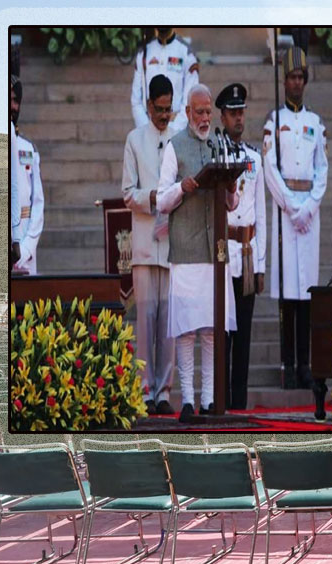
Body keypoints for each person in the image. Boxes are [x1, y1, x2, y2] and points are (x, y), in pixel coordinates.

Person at [157, 84, 238, 422]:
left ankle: (209, 399)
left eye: (208, 112)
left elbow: (231, 204)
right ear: (188, 113)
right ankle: (187, 400)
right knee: (188, 329)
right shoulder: (175, 146)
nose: (205, 117)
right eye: (199, 111)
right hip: (187, 248)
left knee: (210, 329)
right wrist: (183, 187)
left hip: (215, 250)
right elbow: (161, 200)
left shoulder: (221, 144)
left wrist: (232, 188)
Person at [263, 47, 328, 389]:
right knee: (289, 293)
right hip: (286, 209)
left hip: (310, 213)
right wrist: (291, 205)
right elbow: (269, 168)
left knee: (307, 293)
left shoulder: (315, 123)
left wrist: (310, 205)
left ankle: (307, 363)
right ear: (284, 80)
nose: (296, 83)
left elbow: (323, 167)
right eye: (291, 77)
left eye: (301, 77)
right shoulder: (275, 122)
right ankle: (289, 363)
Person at [122, 73, 178, 415]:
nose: (163, 116)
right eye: (159, 109)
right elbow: (128, 192)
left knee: (169, 324)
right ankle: (144, 389)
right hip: (144, 243)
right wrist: (154, 197)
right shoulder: (134, 139)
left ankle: (165, 391)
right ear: (148, 106)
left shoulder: (178, 139)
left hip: (172, 244)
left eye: (169, 109)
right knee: (146, 320)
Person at [217, 82, 267, 410]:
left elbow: (260, 211)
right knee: (223, 333)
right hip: (223, 249)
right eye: (232, 113)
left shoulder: (254, 158)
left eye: (241, 112)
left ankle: (240, 402)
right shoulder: (214, 153)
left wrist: (261, 264)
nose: (238, 118)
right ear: (222, 116)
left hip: (247, 251)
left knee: (245, 332)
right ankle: (220, 400)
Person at [131, 27, 199, 134]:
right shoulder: (144, 52)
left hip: (177, 130)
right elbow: (136, 100)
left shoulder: (186, 52)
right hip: (148, 128)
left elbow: (190, 100)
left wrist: (173, 130)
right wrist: (147, 130)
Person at [9, 74, 44, 276]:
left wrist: (28, 247)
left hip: (26, 243)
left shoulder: (28, 149)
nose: (13, 106)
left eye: (16, 100)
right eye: (9, 99)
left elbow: (38, 202)